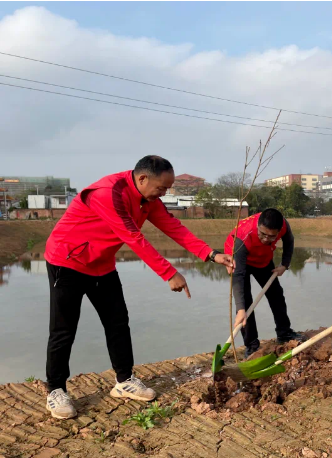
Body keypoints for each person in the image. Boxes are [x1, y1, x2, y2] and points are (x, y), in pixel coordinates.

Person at [43, 155, 233, 419]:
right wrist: (169, 273)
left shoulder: (148, 199)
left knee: (118, 322)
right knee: (64, 330)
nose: (164, 194)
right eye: (162, 188)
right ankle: (56, 390)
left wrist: (211, 254)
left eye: (168, 189)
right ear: (142, 178)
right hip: (68, 261)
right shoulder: (108, 194)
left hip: (101, 263)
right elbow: (133, 237)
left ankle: (124, 381)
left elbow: (173, 227)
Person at [225, 208, 305, 358]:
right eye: (262, 234)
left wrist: (285, 264)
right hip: (239, 260)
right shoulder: (243, 236)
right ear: (258, 227)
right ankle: (251, 344)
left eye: (271, 236)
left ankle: (284, 333)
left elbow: (289, 240)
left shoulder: (283, 226)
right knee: (245, 305)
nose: (265, 240)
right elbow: (239, 276)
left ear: (278, 230)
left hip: (262, 259)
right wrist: (240, 308)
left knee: (276, 295)